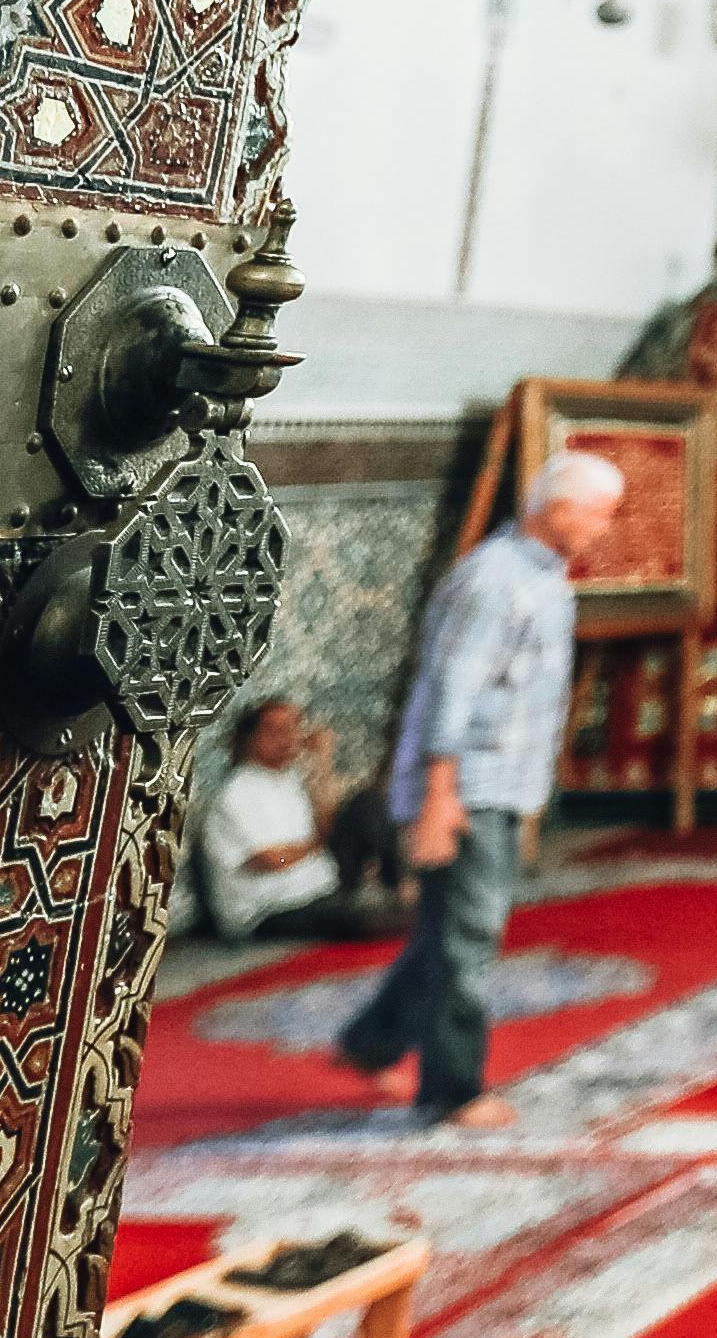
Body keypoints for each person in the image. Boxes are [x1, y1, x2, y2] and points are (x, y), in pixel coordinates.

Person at [337, 445, 627, 1125]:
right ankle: (450, 1089)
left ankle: (373, 1042)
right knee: (470, 935)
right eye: (599, 514)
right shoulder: (493, 581)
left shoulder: (543, 577)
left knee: (450, 929)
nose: (605, 528)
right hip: (466, 786)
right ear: (556, 510)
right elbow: (450, 692)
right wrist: (440, 796)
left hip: (497, 785)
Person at [192, 697, 404, 941]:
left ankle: (399, 888)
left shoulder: (288, 781)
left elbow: (327, 825)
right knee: (366, 919)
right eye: (276, 730)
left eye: (294, 727)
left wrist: (322, 764)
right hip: (268, 911)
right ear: (249, 739)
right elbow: (272, 859)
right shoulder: (235, 793)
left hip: (315, 890)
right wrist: (318, 844)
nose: (289, 737)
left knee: (366, 806)